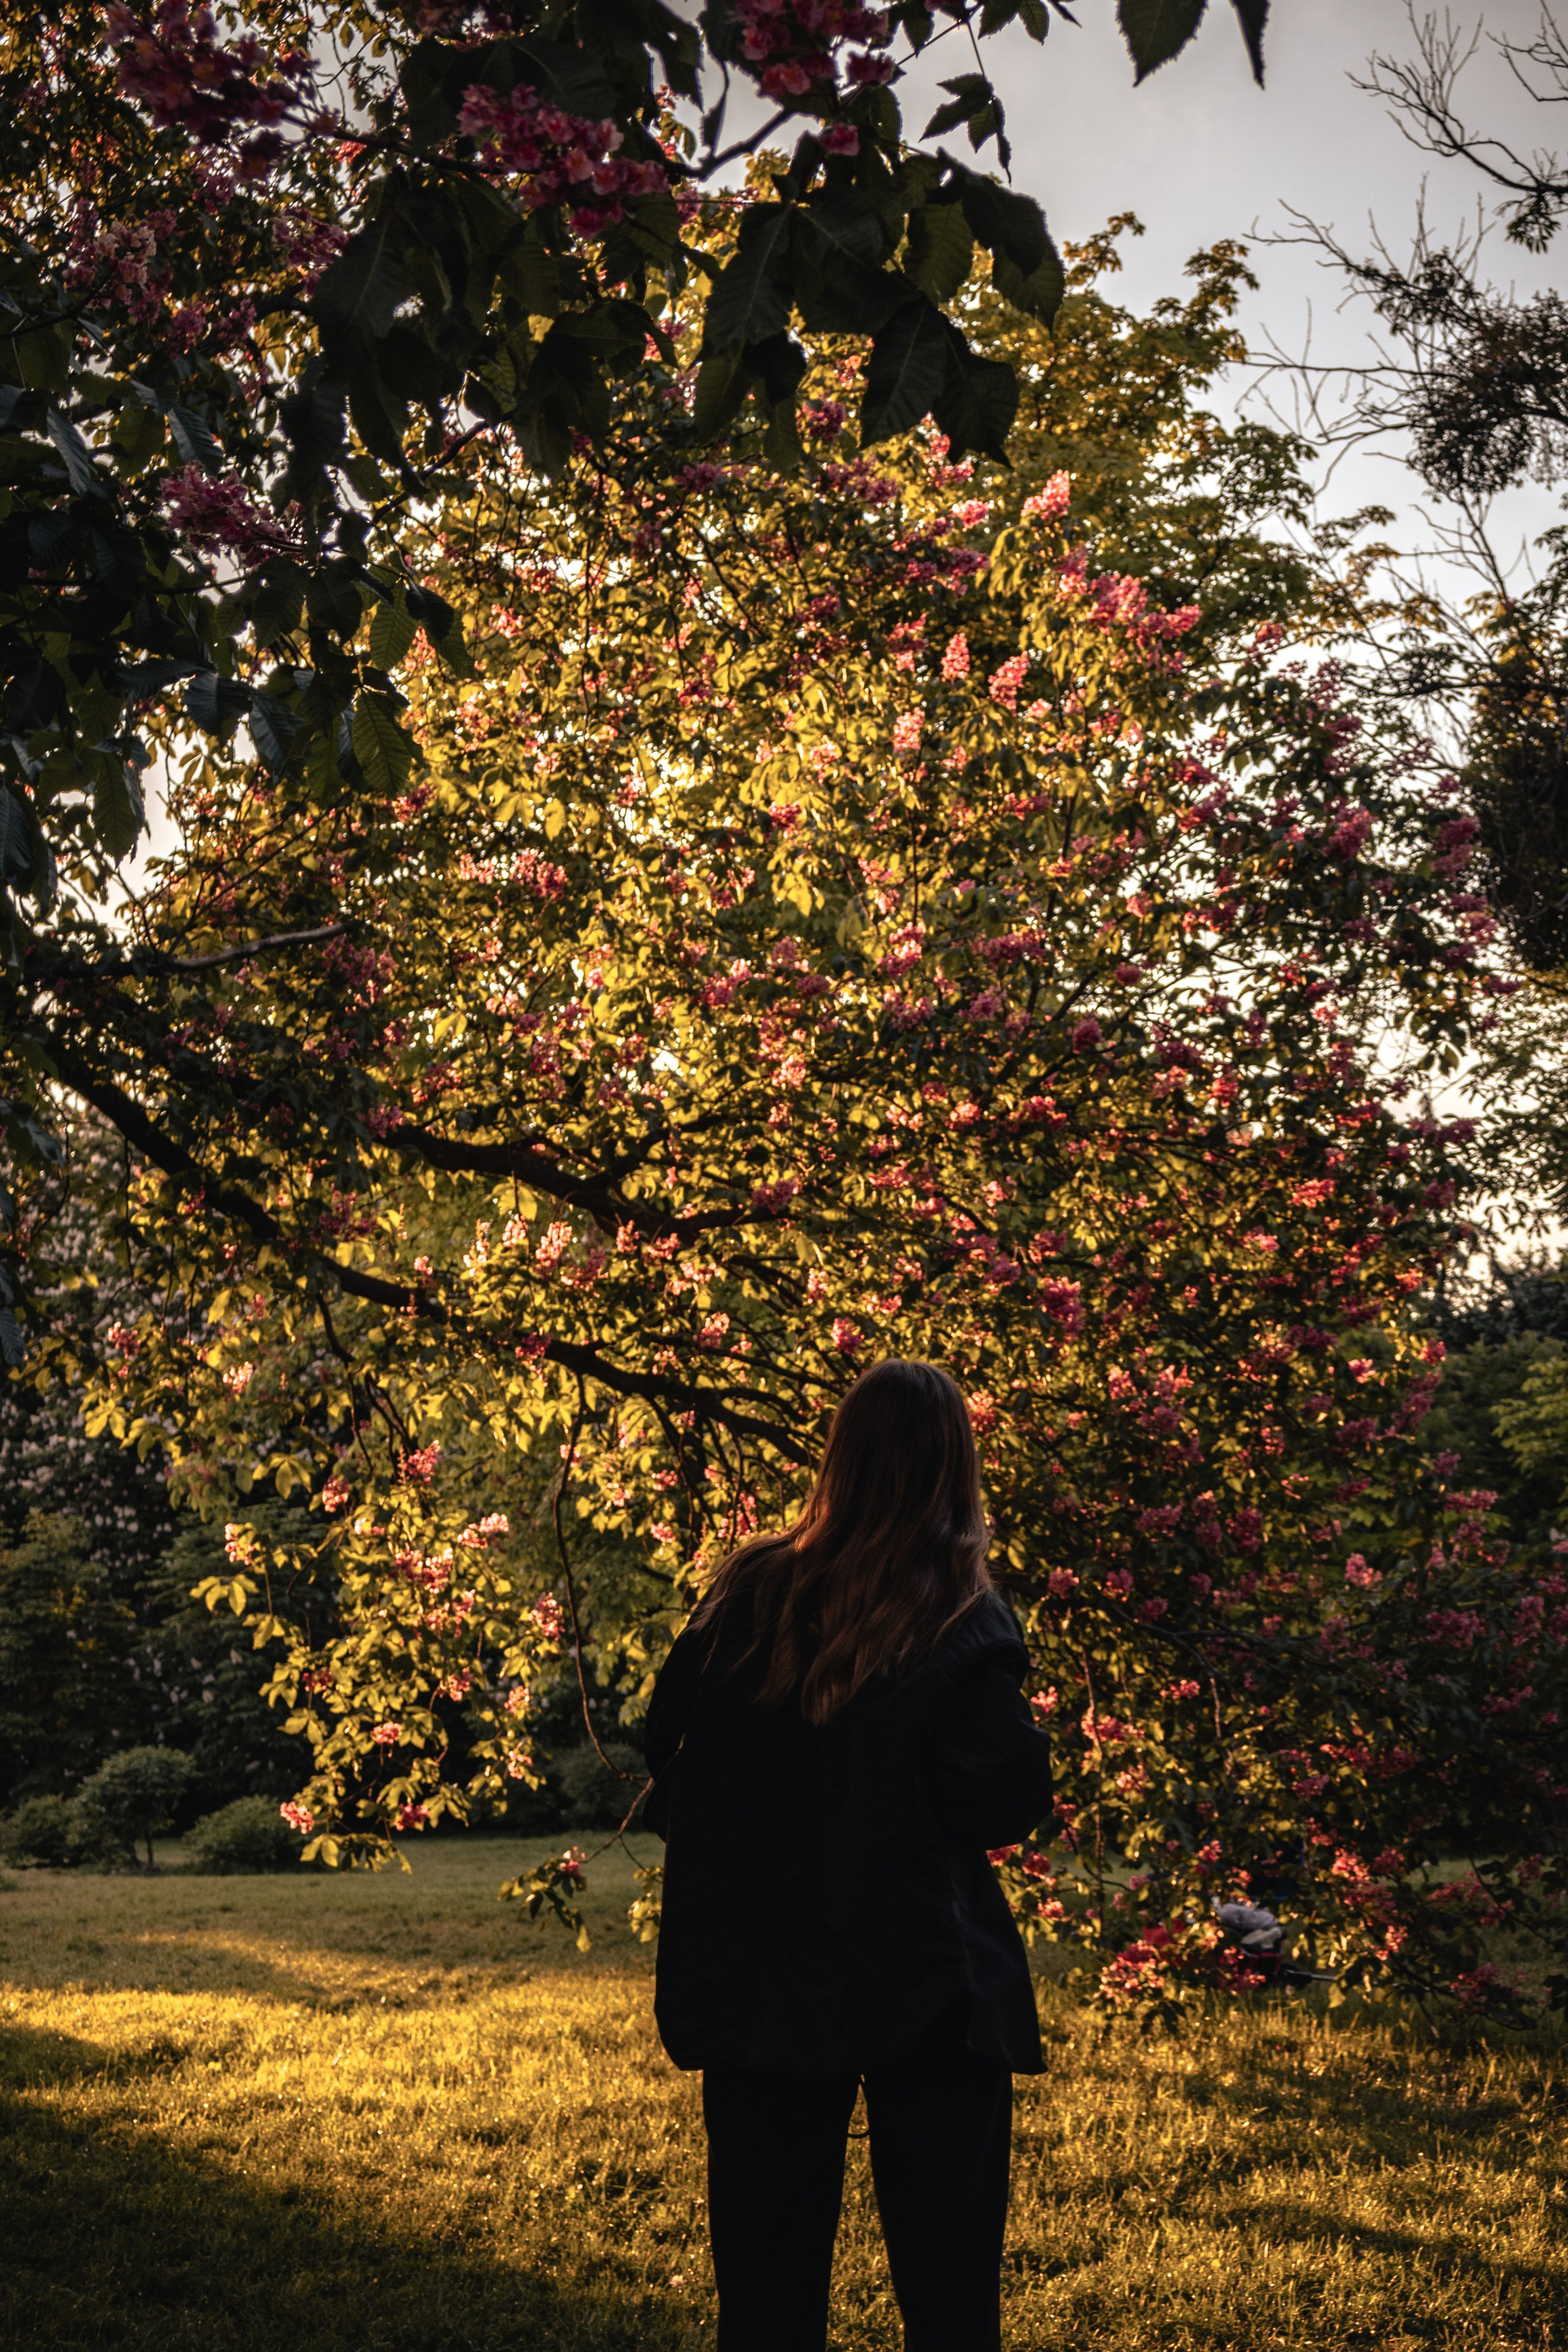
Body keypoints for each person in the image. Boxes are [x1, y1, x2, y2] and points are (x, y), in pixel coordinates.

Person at [641, 1357, 1054, 2352]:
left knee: (766, 2295)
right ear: (953, 1469)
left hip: (762, 1976)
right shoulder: (959, 1615)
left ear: (844, 1455)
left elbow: (669, 1747)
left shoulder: (751, 1589)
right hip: (924, 1977)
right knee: (950, 2297)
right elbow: (1006, 1800)